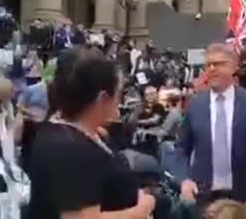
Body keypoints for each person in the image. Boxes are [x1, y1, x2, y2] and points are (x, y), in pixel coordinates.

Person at [29, 46, 155, 219]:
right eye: (118, 94)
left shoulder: (87, 134)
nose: (120, 101)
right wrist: (142, 210)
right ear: (102, 98)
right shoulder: (68, 148)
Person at [176, 43, 246, 209]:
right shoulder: (196, 104)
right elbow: (180, 148)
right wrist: (184, 180)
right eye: (208, 65)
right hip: (204, 196)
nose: (212, 69)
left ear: (234, 67)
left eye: (219, 64)